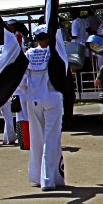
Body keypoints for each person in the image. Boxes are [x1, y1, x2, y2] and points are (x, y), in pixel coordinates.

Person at [23, 26, 66, 190]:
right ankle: (48, 179)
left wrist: (24, 93)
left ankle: (37, 176)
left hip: (33, 98)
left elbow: (22, 78)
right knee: (51, 138)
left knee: (37, 138)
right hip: (52, 97)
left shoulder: (29, 53)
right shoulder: (55, 52)